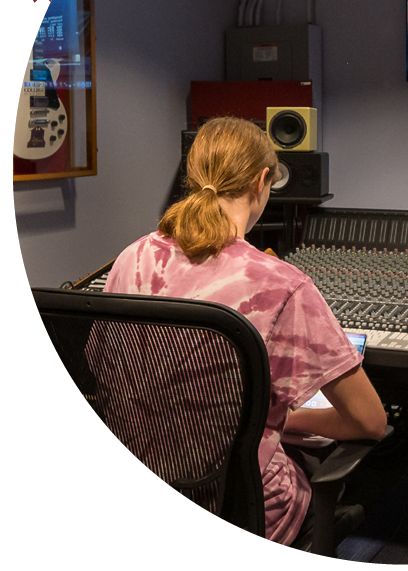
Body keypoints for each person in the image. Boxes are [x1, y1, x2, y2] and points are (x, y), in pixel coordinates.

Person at [97, 116, 386, 545]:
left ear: (192, 177)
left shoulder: (130, 258)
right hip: (238, 509)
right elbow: (370, 421)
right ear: (262, 181)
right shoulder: (282, 285)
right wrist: (281, 421)